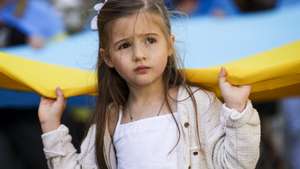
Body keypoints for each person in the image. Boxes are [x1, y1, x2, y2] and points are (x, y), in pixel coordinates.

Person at [38, 0, 261, 168]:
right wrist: (51, 127)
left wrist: (238, 112)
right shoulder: (110, 121)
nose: (139, 54)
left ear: (169, 44)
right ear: (108, 58)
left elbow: (238, 164)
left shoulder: (197, 103)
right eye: (125, 45)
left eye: (150, 40)